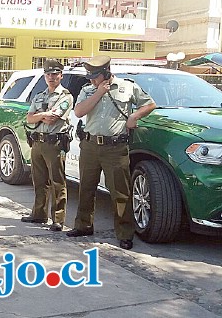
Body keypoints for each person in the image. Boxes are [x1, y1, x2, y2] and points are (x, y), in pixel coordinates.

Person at [66, 55, 156, 250]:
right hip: (90, 146)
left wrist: (134, 115)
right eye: (90, 76)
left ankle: (125, 234)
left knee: (120, 192)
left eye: (95, 76)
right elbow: (79, 112)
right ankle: (83, 225)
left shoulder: (127, 87)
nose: (91, 79)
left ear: (106, 72)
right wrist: (98, 92)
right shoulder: (88, 89)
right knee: (86, 188)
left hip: (115, 148)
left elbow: (149, 104)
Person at [21, 59, 73, 232]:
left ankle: (57, 219)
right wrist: (43, 114)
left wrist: (39, 115)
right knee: (39, 181)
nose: (51, 77)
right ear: (45, 76)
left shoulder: (65, 96)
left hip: (54, 143)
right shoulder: (39, 96)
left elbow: (52, 119)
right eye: (48, 74)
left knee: (57, 182)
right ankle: (39, 214)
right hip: (37, 142)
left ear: (61, 76)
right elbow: (29, 118)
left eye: (55, 74)